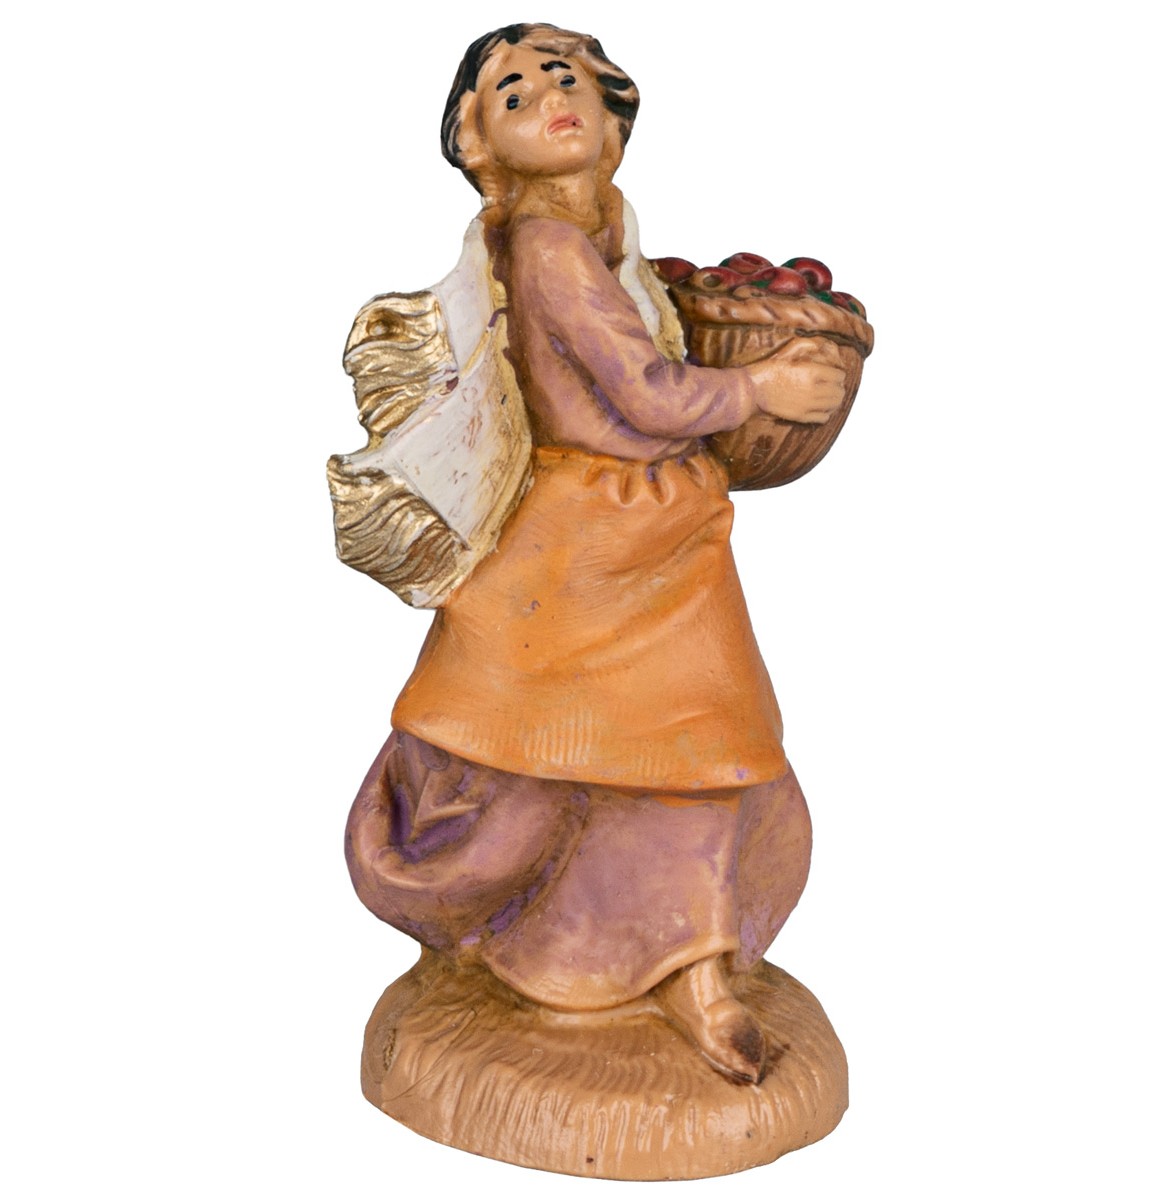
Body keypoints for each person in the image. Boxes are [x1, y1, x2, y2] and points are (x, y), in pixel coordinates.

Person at [340, 23, 847, 1084]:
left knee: (678, 754)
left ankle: (683, 966)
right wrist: (759, 387)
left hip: (651, 532)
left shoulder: (600, 234)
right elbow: (646, 396)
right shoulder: (547, 249)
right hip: (596, 541)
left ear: (613, 113)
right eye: (514, 94)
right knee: (660, 751)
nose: (549, 97)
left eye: (564, 76)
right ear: (480, 144)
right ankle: (637, 968)